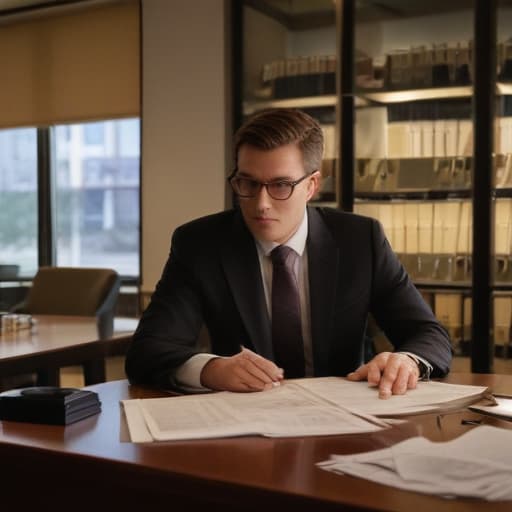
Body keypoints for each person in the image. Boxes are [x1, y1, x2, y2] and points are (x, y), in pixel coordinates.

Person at [125, 108, 452, 398]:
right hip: (242, 425)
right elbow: (147, 351)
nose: (261, 203)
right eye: (248, 183)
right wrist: (211, 370)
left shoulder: (359, 240)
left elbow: (427, 333)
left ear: (311, 186)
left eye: (280, 185)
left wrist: (406, 361)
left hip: (343, 420)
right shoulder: (200, 244)